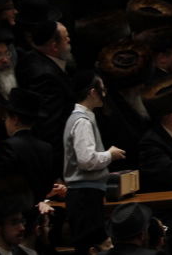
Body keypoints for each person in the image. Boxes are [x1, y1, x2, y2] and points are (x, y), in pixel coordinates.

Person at [63, 70, 125, 254]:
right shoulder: (82, 121)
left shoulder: (83, 118)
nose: (104, 94)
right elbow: (86, 160)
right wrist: (110, 155)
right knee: (90, 247)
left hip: (87, 193)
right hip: (84, 195)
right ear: (92, 92)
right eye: (102, 90)